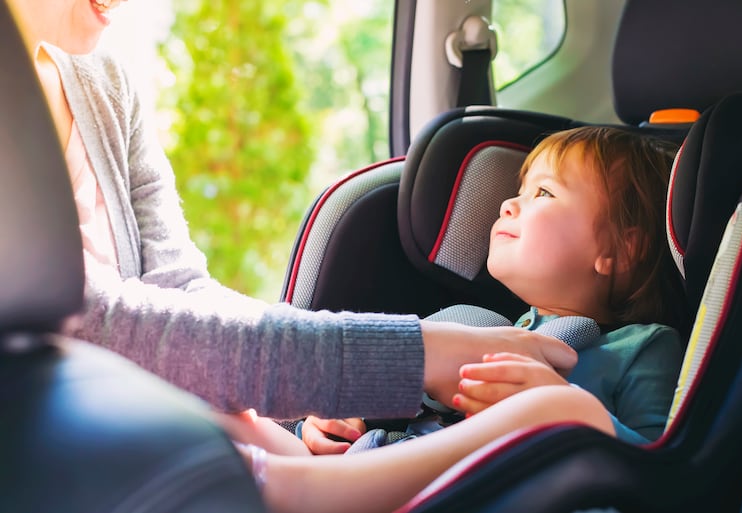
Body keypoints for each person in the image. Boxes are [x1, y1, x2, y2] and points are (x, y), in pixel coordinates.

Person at [7, 0, 576, 422]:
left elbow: (178, 288)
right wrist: (419, 353)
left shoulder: (105, 85)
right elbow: (90, 323)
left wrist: (304, 407)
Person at [293, 126, 685, 459]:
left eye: (543, 193)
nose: (509, 204)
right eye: (520, 190)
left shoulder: (642, 348)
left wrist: (567, 410)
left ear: (622, 250)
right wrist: (332, 423)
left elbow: (657, 472)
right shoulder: (472, 329)